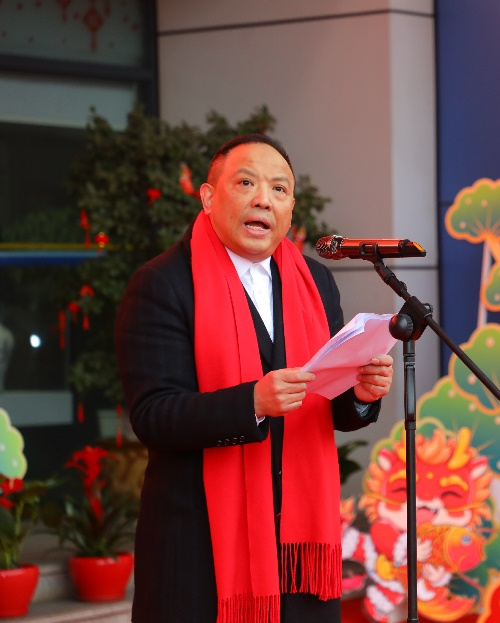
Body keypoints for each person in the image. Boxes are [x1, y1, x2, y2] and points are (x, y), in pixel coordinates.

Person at [115, 134, 393, 623]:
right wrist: (252, 403)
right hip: (201, 543)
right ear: (208, 196)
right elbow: (153, 415)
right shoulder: (163, 283)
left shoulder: (315, 281)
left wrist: (362, 395)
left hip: (297, 552)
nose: (264, 199)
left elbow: (328, 404)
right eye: (246, 183)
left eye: (279, 189)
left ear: (290, 209)